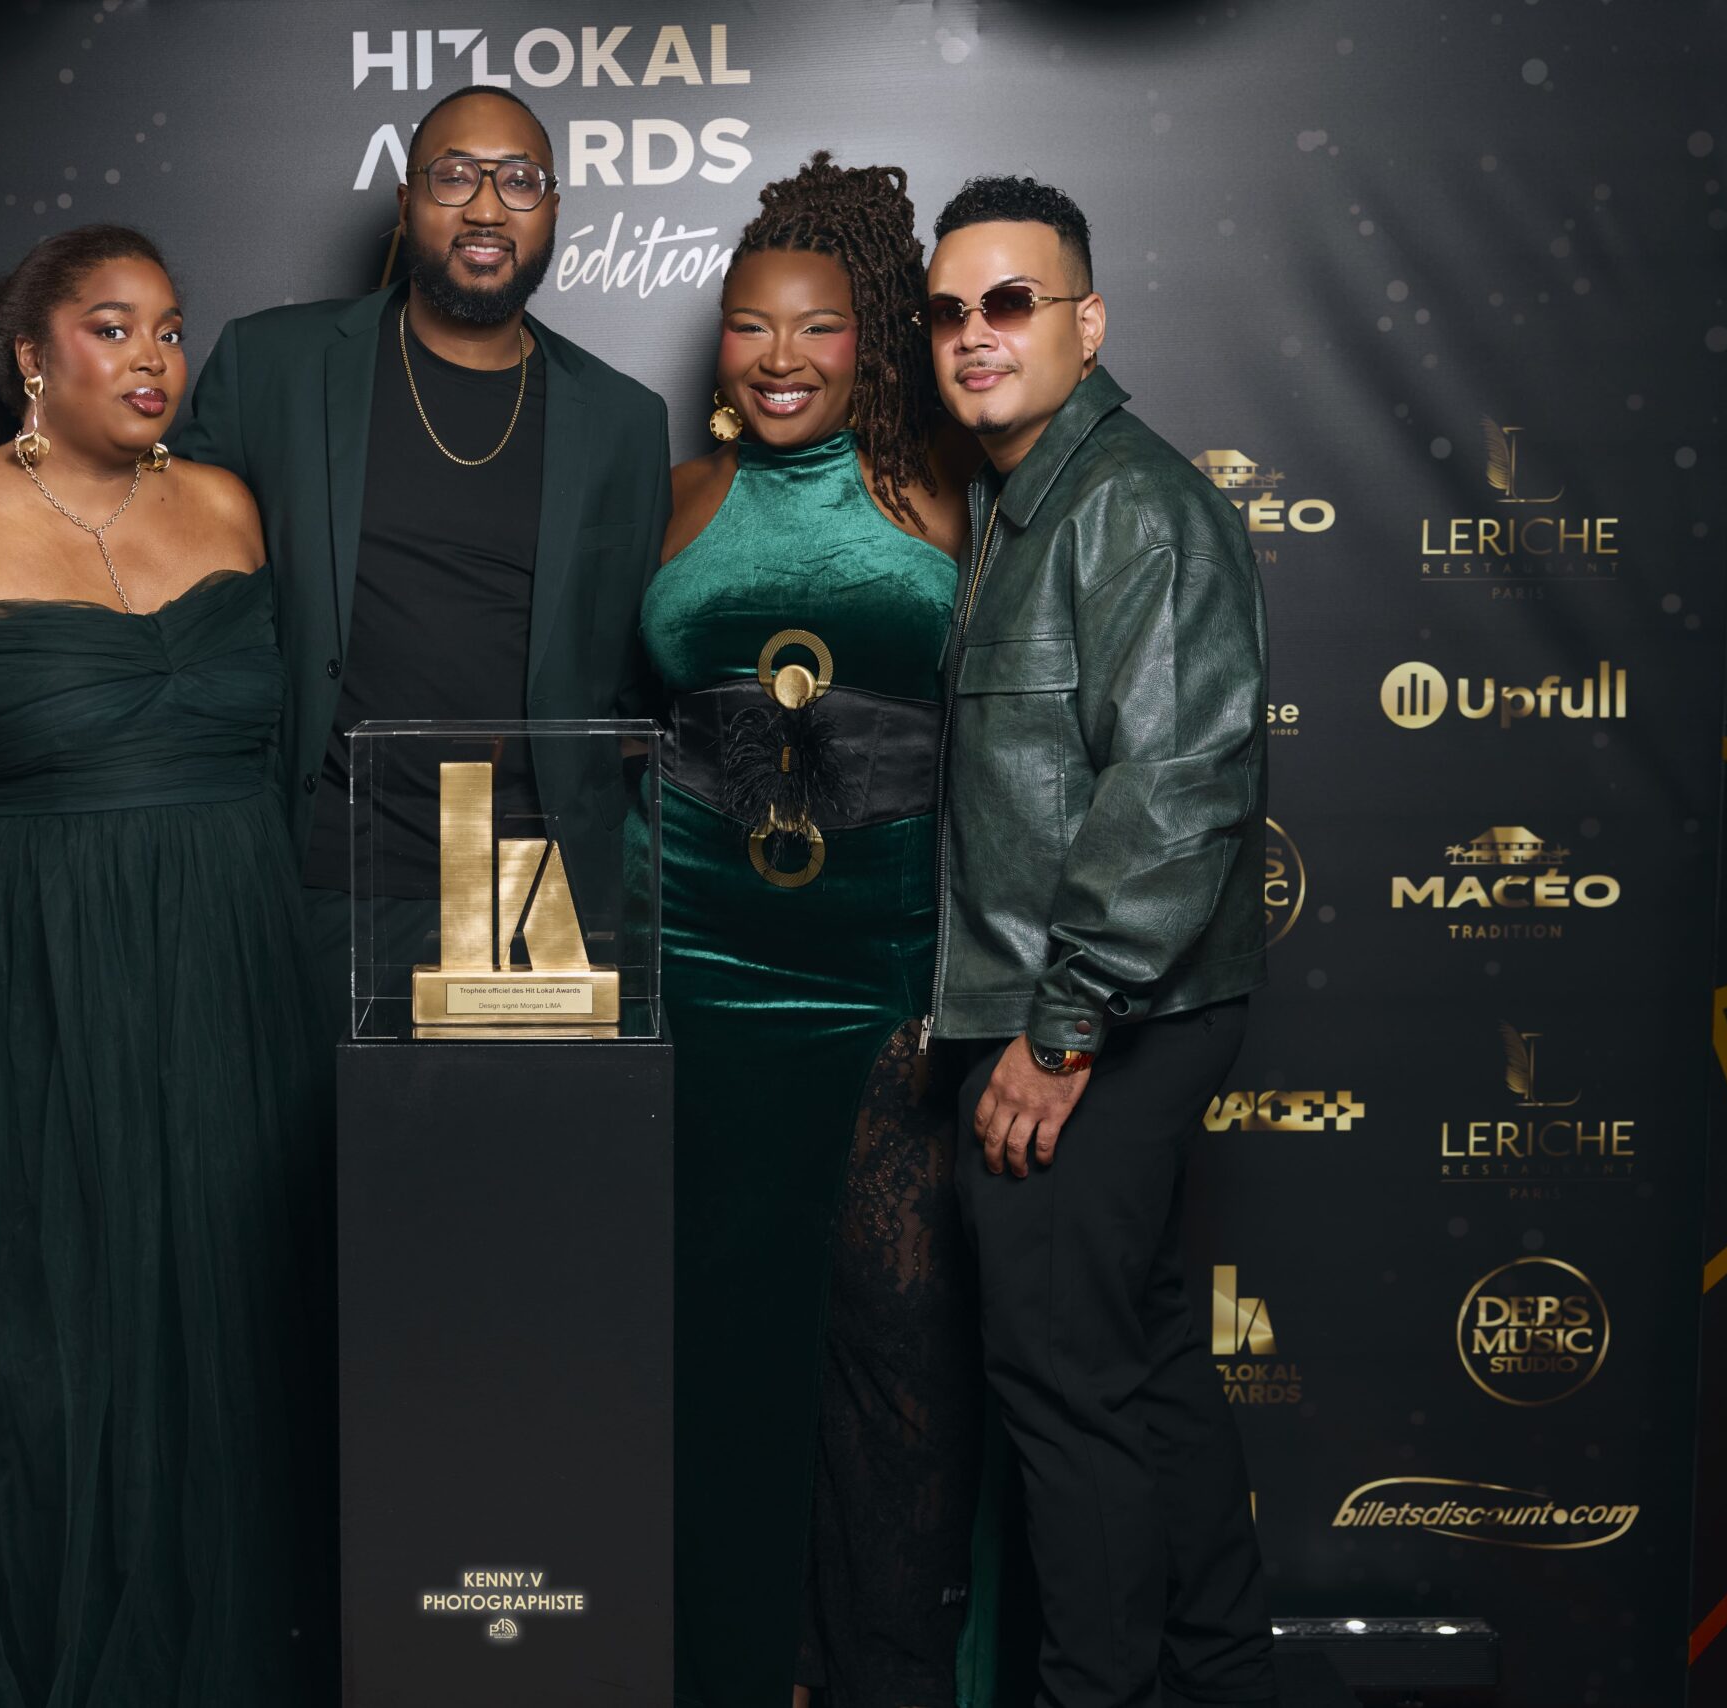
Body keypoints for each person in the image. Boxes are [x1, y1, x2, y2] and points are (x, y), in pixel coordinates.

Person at [0, 225, 330, 1707]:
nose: (153, 357)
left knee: (215, 1346)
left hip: (229, 984)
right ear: (30, 359)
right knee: (53, 1359)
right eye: (112, 328)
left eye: (169, 328)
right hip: (40, 994)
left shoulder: (229, 508)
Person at [648, 152, 997, 1708]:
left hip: (889, 966)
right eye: (749, 326)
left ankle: (885, 1674)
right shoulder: (674, 499)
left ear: (873, 342)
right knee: (721, 1333)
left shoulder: (948, 489)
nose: (778, 357)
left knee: (899, 1344)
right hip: (698, 963)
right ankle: (740, 1663)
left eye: (818, 326)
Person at [923, 175, 1276, 1708]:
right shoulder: (1026, 503)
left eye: (1011, 302)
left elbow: (1181, 784)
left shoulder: (1128, 501)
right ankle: (1222, 1679)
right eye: (949, 309)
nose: (975, 333)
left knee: (1064, 1392)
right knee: (1141, 1362)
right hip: (1088, 1007)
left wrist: (1063, 1026)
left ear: (1089, 321)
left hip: (1095, 1020)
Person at [170, 84, 670, 1029]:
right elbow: (184, 615)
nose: (487, 207)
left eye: (519, 181)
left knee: (524, 1128)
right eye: (456, 176)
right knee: (304, 1126)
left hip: (529, 883)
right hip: (318, 868)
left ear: (553, 209)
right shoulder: (272, 366)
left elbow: (623, 678)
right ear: (406, 201)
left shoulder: (623, 420)